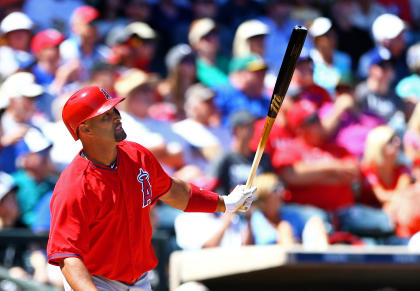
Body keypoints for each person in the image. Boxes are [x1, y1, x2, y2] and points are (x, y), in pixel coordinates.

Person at [46, 86, 256, 290]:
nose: (117, 117)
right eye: (105, 116)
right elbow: (68, 257)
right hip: (97, 281)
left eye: (115, 110)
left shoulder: (137, 155)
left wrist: (225, 203)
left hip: (139, 280)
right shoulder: (74, 186)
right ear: (85, 129)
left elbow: (173, 191)